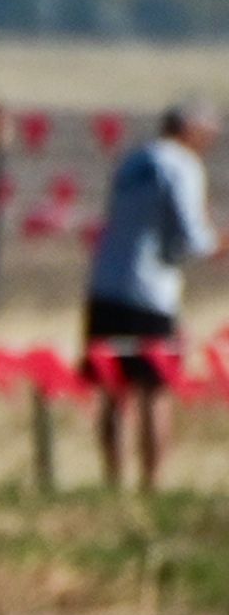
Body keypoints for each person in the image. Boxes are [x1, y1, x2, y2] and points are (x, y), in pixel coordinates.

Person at [84, 102, 220, 494]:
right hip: (151, 291)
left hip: (106, 285)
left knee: (114, 386)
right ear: (191, 130)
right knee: (155, 389)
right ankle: (152, 484)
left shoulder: (133, 161)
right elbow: (195, 238)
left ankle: (112, 481)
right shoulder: (182, 165)